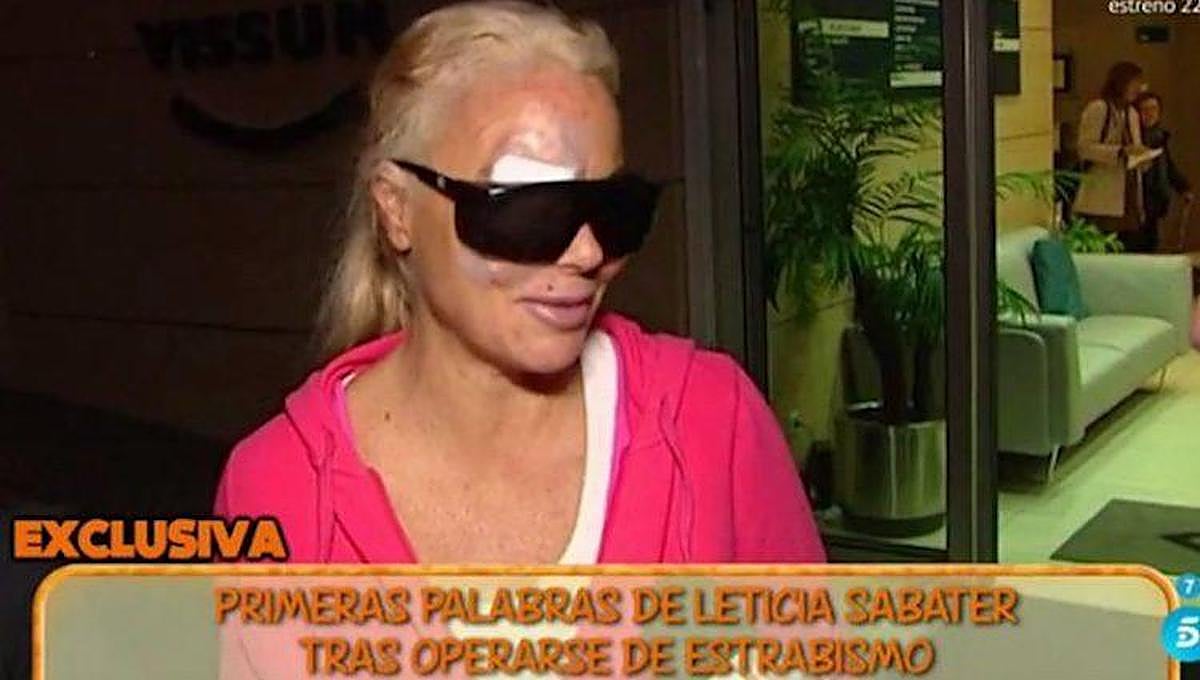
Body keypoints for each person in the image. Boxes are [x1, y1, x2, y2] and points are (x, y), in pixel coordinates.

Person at [212, 0, 824, 564]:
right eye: (528, 210)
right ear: (397, 210)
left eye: (615, 209)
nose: (588, 253)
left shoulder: (713, 423)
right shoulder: (275, 488)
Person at [1073, 61, 1156, 252]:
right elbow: (1085, 148)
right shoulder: (1099, 108)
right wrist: (1120, 152)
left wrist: (1143, 158)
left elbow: (1134, 148)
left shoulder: (1131, 113)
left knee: (1128, 246)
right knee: (1102, 246)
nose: (1138, 88)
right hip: (1103, 195)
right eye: (1135, 83)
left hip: (1130, 195)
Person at [1135, 91, 1193, 252]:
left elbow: (1168, 167)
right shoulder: (1135, 138)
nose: (1150, 114)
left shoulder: (1159, 137)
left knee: (1151, 243)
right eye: (1145, 110)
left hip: (1155, 202)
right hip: (1138, 203)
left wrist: (1183, 187)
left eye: (1154, 109)